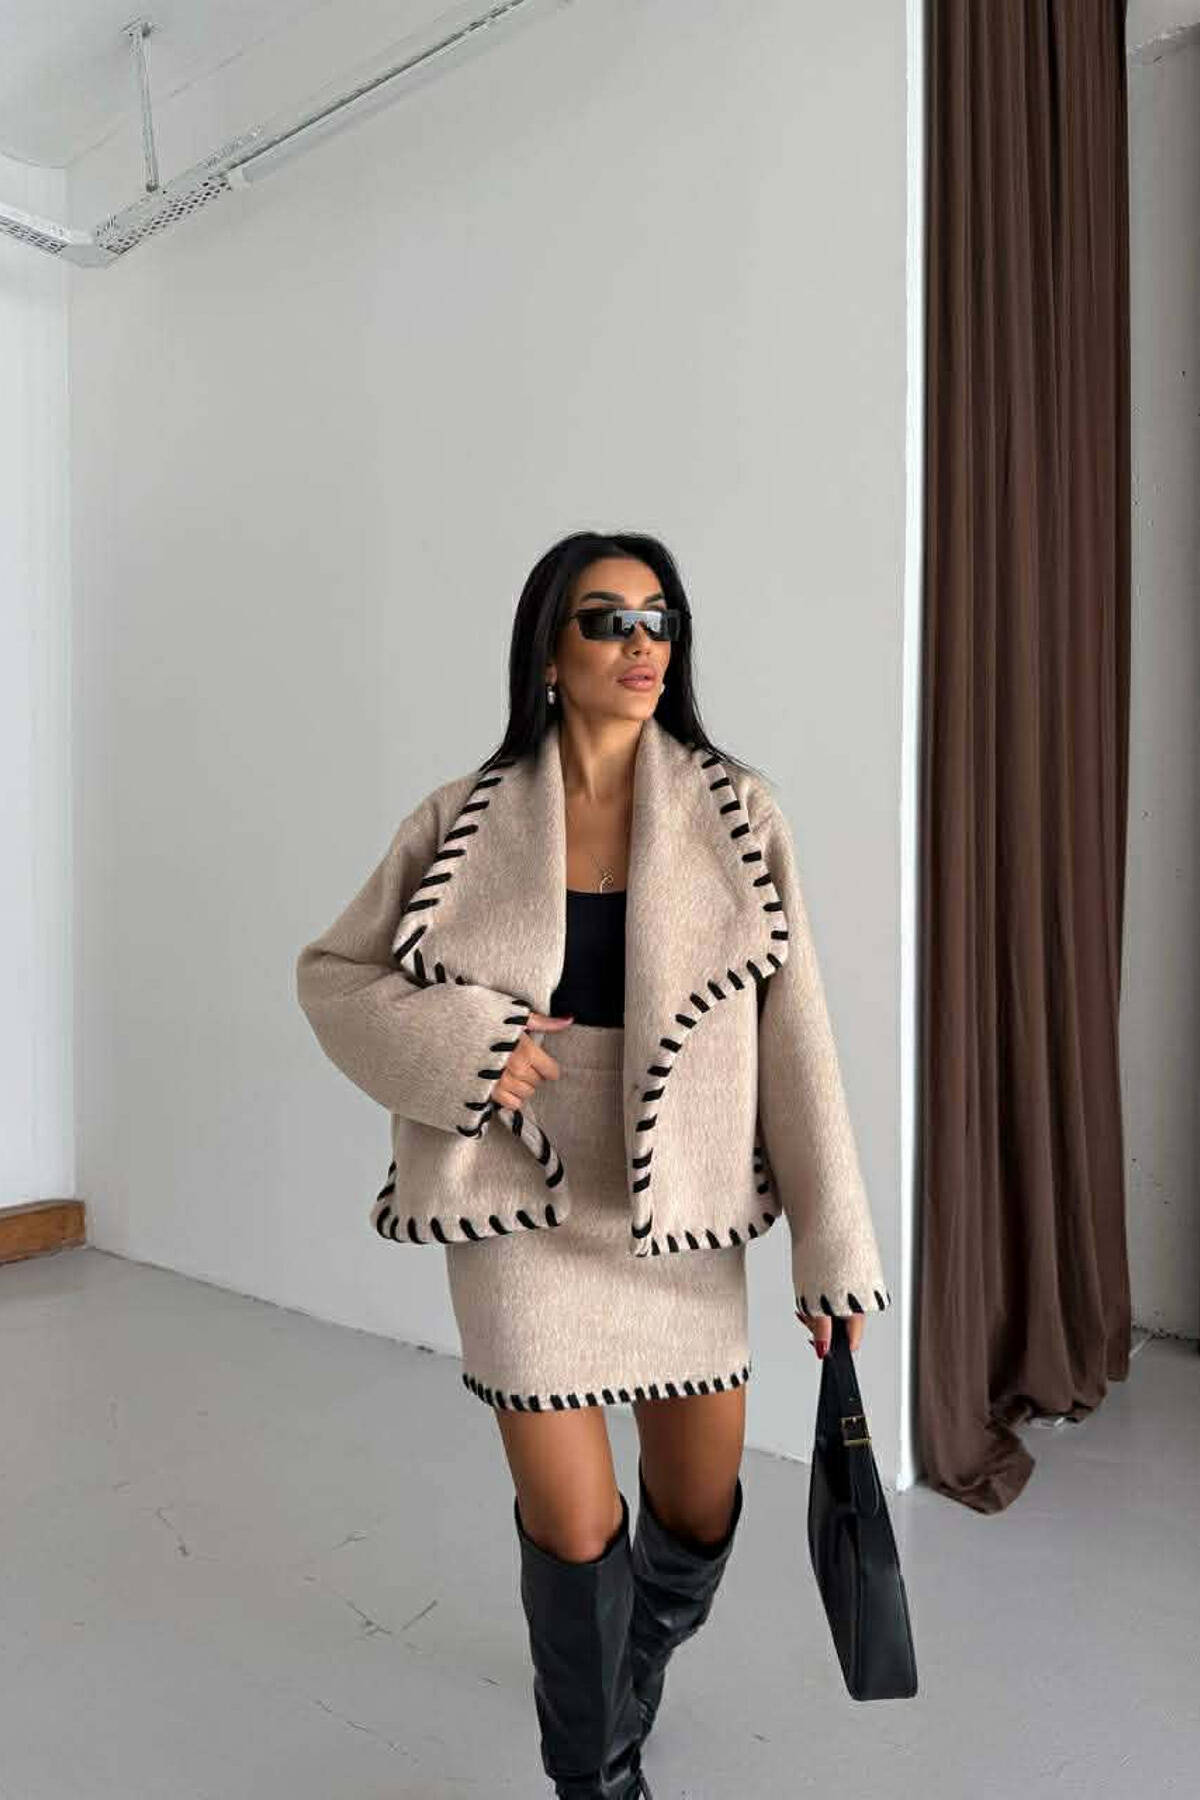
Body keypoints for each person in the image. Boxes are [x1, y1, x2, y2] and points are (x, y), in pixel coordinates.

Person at [295, 528, 891, 1799]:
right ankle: (597, 1774)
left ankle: (634, 1662)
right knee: (574, 1529)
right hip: (515, 1199)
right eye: (607, 620)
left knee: (699, 1508)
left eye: (658, 618)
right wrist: (470, 1046)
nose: (640, 644)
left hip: (683, 1206)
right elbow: (335, 978)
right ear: (548, 654)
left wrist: (834, 1246)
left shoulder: (740, 813)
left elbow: (798, 1039)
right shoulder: (459, 819)